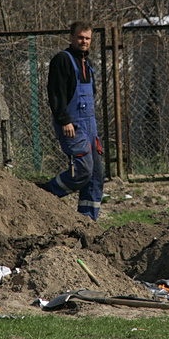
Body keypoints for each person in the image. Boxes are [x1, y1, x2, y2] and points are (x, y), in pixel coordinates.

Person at [39, 21, 104, 220]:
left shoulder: (88, 64)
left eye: (87, 38)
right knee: (83, 170)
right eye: (80, 37)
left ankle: (87, 219)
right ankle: (45, 194)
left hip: (90, 126)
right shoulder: (63, 60)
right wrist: (64, 120)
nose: (84, 41)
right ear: (71, 37)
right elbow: (55, 93)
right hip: (72, 125)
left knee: (97, 175)